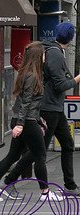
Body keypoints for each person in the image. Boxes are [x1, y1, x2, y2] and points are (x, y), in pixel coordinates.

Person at [5, 22, 80, 194]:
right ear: (70, 38)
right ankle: (10, 179)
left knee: (67, 144)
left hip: (54, 106)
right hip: (48, 107)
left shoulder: (52, 50)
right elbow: (61, 84)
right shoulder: (55, 54)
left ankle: (70, 185)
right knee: (39, 150)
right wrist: (77, 79)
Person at [0, 42, 62, 201]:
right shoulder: (33, 76)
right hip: (26, 122)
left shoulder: (28, 73)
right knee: (40, 155)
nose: (45, 57)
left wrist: (36, 120)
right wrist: (21, 124)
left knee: (13, 155)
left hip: (24, 119)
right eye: (43, 54)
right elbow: (27, 102)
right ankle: (45, 193)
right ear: (37, 56)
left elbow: (27, 102)